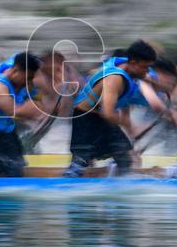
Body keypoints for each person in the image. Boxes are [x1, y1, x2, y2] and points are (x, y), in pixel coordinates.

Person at [63, 41, 158, 177]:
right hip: (85, 119)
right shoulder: (115, 78)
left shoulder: (126, 69)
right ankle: (65, 187)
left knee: (123, 155)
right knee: (80, 161)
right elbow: (108, 113)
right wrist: (131, 125)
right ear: (133, 63)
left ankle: (123, 187)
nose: (147, 71)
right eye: (145, 67)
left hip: (98, 118)